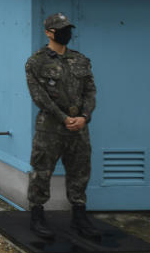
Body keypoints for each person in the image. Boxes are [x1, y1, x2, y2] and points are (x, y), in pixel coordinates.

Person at [24, 12, 99, 239]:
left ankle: (79, 216)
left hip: (79, 128)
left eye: (68, 29)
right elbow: (40, 97)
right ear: (49, 32)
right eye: (60, 29)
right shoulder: (36, 62)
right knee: (42, 172)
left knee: (80, 172)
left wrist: (84, 117)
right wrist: (63, 118)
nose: (66, 33)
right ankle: (37, 214)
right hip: (51, 128)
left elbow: (90, 91)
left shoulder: (80, 60)